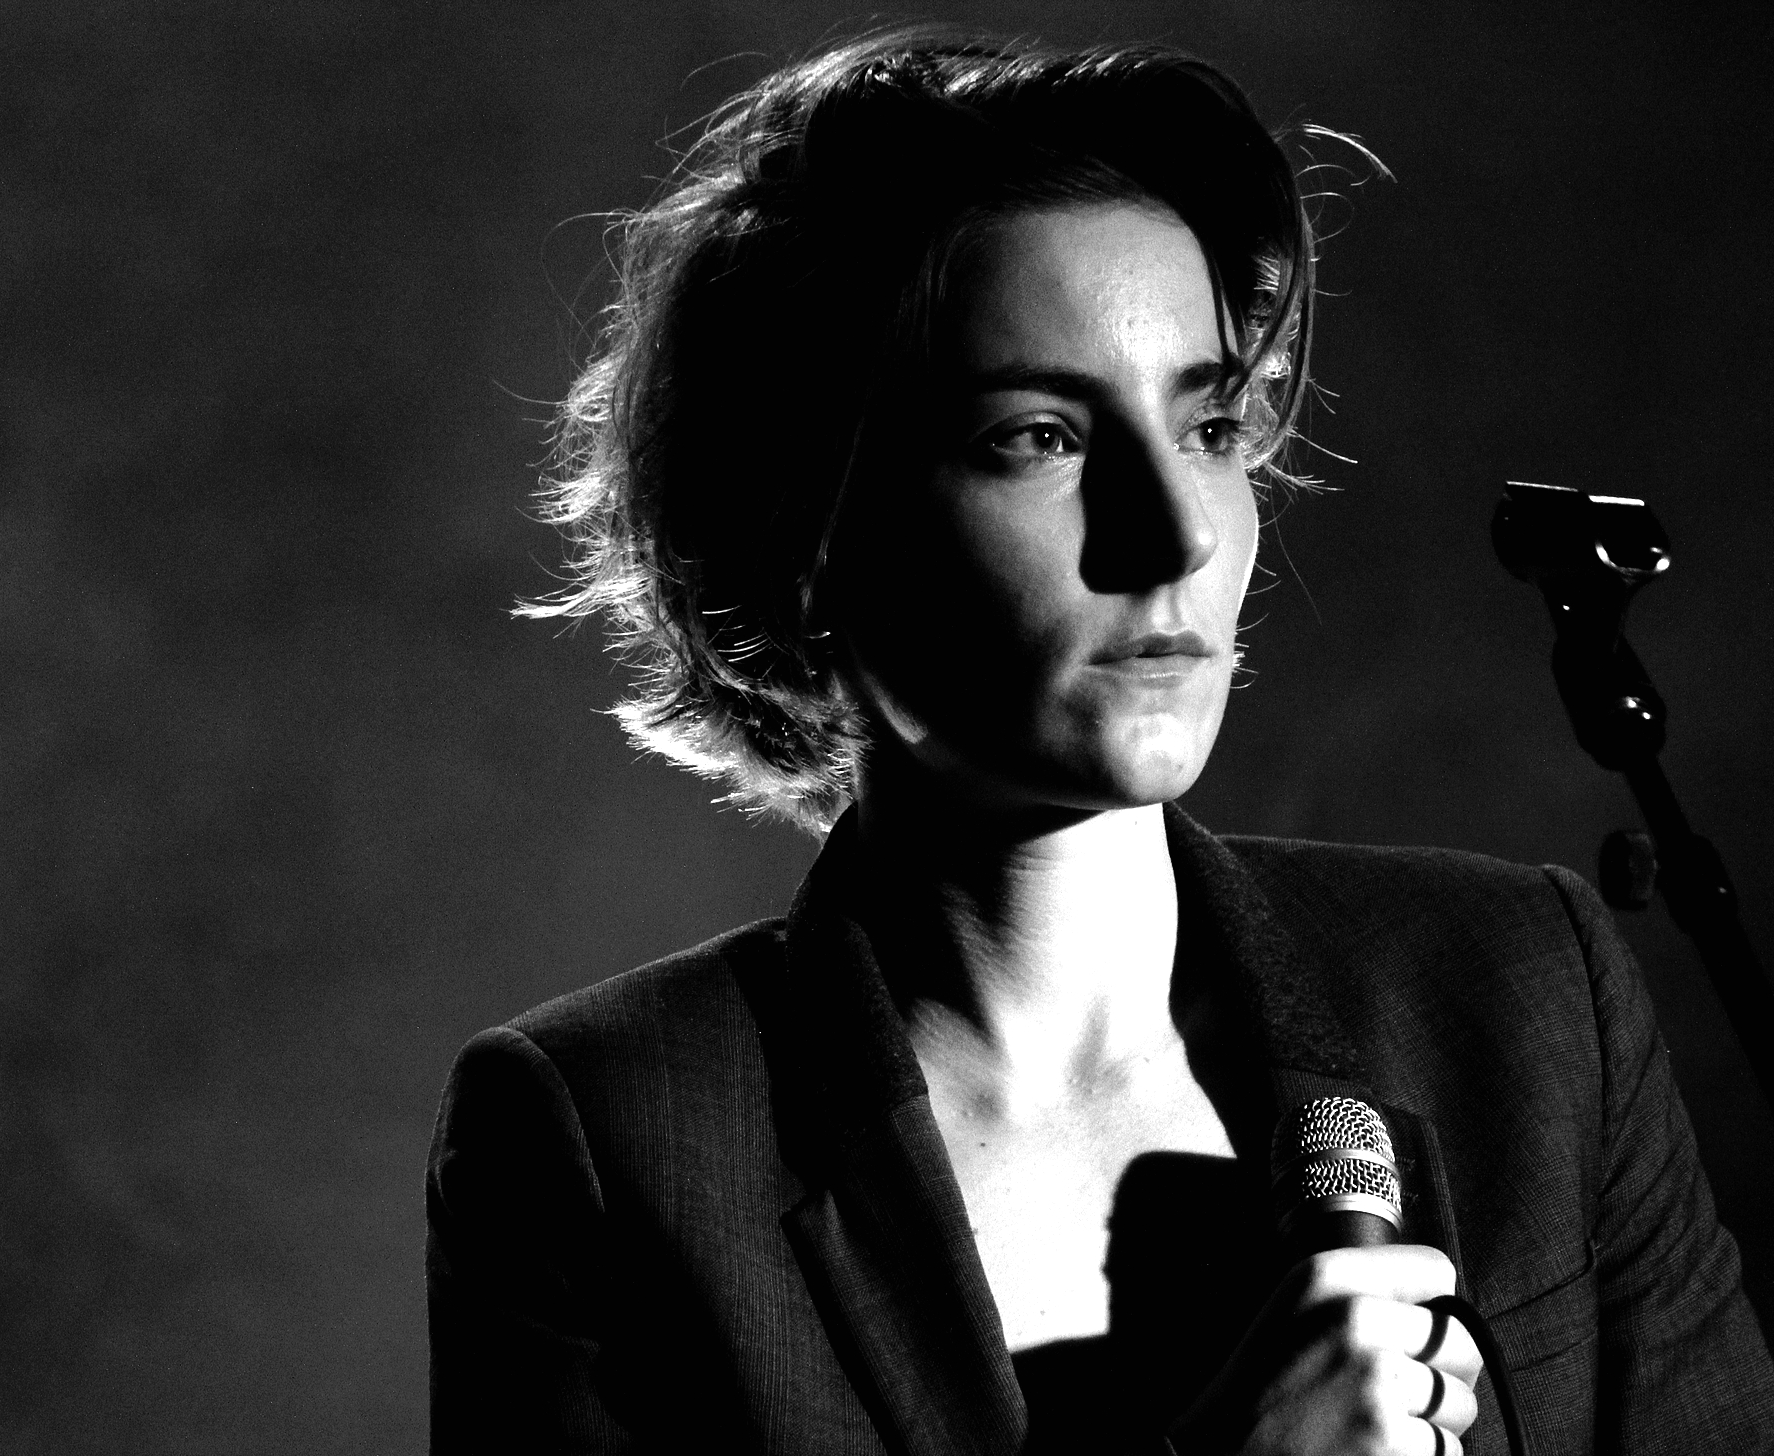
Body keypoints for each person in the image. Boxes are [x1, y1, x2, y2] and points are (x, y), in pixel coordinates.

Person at [425, 29, 1774, 1455]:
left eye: (1210, 424)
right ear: (809, 533)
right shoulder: (604, 1138)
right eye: (1040, 438)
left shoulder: (1523, 1000)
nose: (1176, 530)